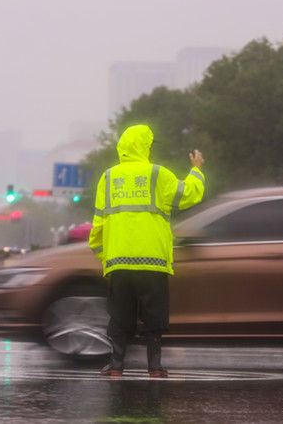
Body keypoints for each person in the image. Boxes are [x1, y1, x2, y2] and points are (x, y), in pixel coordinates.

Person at [89, 124, 205, 377]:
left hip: (119, 262)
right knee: (154, 316)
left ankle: (116, 366)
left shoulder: (108, 177)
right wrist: (196, 170)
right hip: (152, 261)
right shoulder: (156, 174)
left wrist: (104, 255)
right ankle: (154, 367)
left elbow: (98, 224)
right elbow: (188, 195)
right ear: (146, 147)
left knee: (120, 316)